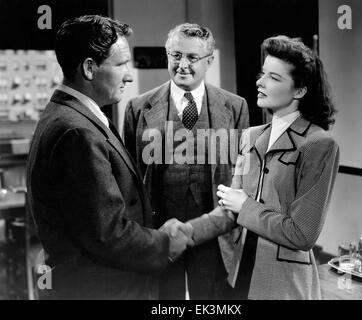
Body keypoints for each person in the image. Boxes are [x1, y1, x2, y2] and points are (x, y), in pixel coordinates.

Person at [26, 15, 190, 300]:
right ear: (89, 68)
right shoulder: (76, 131)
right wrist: (165, 244)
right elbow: (107, 234)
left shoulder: (71, 116)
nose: (128, 74)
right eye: (121, 64)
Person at [170, 35, 340, 299]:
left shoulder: (319, 144)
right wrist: (186, 232)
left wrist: (244, 206)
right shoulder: (250, 136)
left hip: (282, 285)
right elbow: (229, 212)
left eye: (274, 77)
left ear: (300, 90)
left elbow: (302, 234)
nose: (260, 82)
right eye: (263, 74)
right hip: (238, 277)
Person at [123, 23, 249, 299]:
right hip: (159, 235)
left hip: (214, 235)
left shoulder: (235, 107)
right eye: (175, 55)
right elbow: (131, 182)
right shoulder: (138, 108)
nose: (182, 65)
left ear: (209, 61)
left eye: (192, 58)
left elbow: (241, 178)